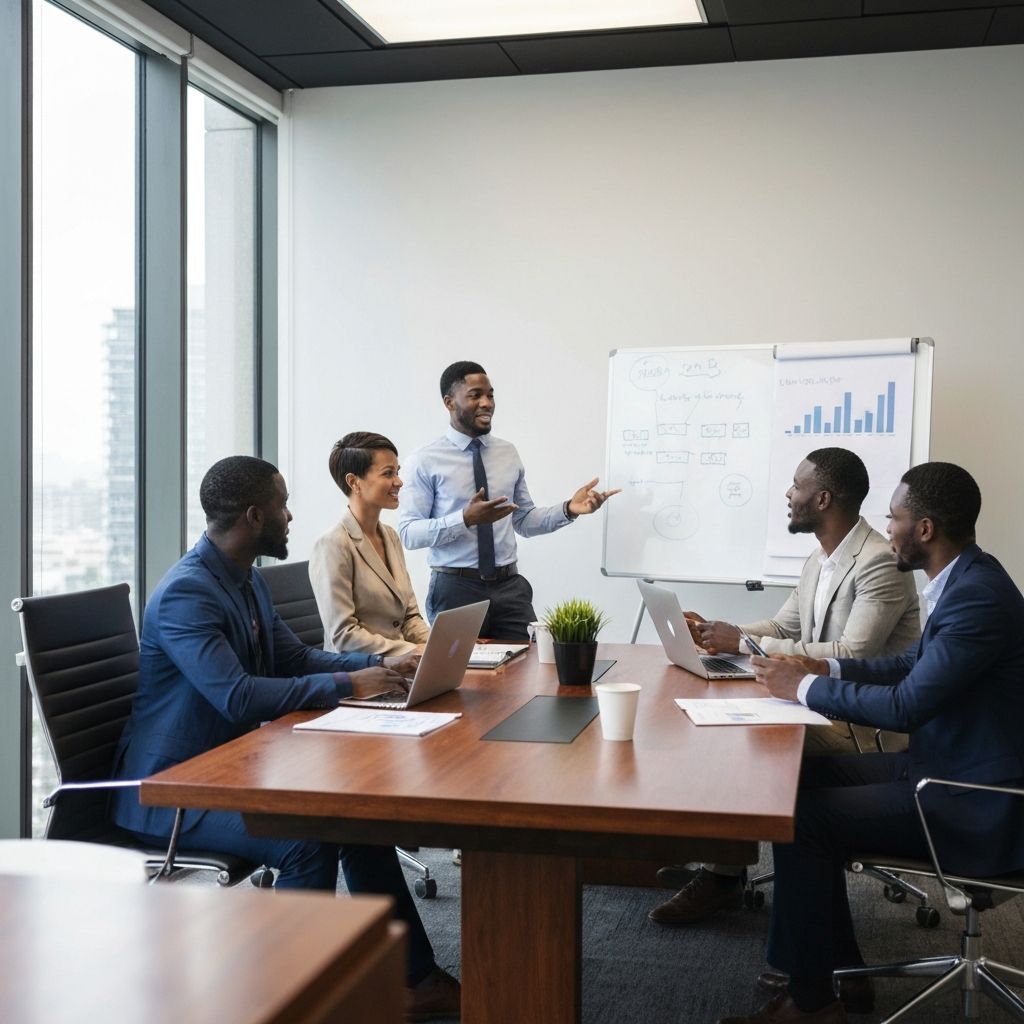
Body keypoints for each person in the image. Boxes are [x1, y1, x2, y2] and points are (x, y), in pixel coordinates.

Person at [112, 456, 460, 1021]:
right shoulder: (187, 594)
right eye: (281, 505)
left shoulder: (243, 577)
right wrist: (349, 680)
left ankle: (415, 981)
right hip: (168, 790)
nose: (290, 514)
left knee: (354, 819)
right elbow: (239, 696)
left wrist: (383, 666)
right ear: (254, 515)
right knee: (307, 838)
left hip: (229, 768)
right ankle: (294, 1000)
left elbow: (292, 658)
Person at [716, 462, 1024, 1024]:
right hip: (941, 764)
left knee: (803, 820)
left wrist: (805, 687)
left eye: (896, 517)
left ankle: (811, 1003)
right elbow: (911, 663)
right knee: (798, 786)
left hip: (971, 797)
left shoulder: (977, 596)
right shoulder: (966, 577)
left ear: (924, 529)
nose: (889, 528)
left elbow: (908, 704)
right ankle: (836, 969)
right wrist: (824, 665)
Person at [649, 448, 921, 928]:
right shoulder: (820, 558)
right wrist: (718, 630)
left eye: (796, 486)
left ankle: (722, 878)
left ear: (823, 497)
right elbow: (782, 623)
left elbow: (851, 652)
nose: (788, 494)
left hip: (861, 723)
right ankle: (722, 869)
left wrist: (748, 642)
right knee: (722, 720)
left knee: (743, 741)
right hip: (814, 703)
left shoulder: (878, 562)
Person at [398, 360, 619, 641]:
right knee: (464, 679)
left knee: (526, 671)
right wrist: (464, 519)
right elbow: (409, 533)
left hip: (509, 587)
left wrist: (569, 509)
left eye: (490, 395)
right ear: (449, 402)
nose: (487, 403)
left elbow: (523, 521)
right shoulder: (424, 460)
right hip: (456, 589)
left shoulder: (507, 453)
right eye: (475, 395)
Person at [311, 432, 431, 656]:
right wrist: (413, 651)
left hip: (402, 666)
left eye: (397, 472)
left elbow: (409, 617)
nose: (399, 482)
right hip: (360, 676)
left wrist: (438, 646)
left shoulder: (391, 536)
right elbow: (344, 636)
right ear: (354, 482)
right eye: (388, 473)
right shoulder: (332, 545)